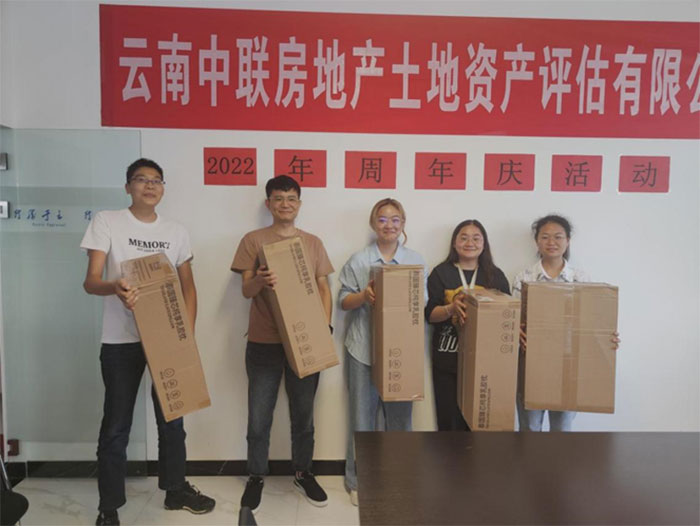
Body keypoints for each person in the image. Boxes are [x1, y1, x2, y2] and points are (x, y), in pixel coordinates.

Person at [81, 158, 215, 526]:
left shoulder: (176, 231)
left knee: (173, 420)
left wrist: (185, 337)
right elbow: (91, 281)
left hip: (167, 341)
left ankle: (175, 490)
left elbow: (188, 287)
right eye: (141, 179)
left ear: (163, 188)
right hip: (120, 340)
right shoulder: (107, 221)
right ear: (128, 187)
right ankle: (109, 507)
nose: (150, 185)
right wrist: (115, 287)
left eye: (156, 180)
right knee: (116, 426)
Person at [231, 175, 333, 514]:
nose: (285, 204)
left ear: (299, 204)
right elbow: (246, 290)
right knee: (259, 417)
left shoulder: (313, 243)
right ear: (268, 204)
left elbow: (323, 288)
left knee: (304, 415)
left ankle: (303, 473)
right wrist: (260, 279)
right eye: (278, 198)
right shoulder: (254, 240)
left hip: (305, 342)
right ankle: (256, 475)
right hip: (264, 341)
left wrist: (324, 328)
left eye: (291, 198)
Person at [338, 198, 426, 506]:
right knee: (361, 420)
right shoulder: (359, 259)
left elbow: (422, 303)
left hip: (401, 352)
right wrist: (364, 295)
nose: (389, 225)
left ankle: (399, 480)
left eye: (395, 219)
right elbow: (343, 301)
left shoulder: (415, 260)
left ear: (403, 224)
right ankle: (358, 482)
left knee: (400, 421)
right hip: (363, 349)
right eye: (383, 219)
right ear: (373, 224)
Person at [512, 214, 620, 432]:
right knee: (529, 428)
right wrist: (516, 331)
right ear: (537, 241)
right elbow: (514, 318)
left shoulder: (580, 278)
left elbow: (592, 322)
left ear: (568, 241)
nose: (551, 242)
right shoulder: (524, 277)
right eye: (545, 237)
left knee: (562, 430)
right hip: (531, 360)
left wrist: (607, 338)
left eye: (558, 237)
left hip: (569, 361)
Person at [426, 220, 510, 431]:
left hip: (485, 362)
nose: (469, 243)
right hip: (447, 360)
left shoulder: (495, 275)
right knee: (448, 422)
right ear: (454, 243)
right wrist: (451, 309)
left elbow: (508, 315)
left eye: (476, 238)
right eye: (463, 237)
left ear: (484, 243)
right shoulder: (441, 273)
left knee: (480, 425)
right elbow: (429, 315)